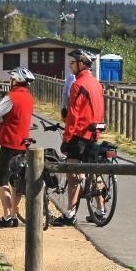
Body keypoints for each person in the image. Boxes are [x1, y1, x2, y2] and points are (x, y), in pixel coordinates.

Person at [51, 49, 105, 226]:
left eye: (72, 63)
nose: (70, 66)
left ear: (81, 64)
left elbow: (73, 114)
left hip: (80, 132)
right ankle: (100, 210)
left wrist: (67, 138)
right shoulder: (97, 83)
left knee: (72, 172)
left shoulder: (78, 85)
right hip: (94, 131)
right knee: (93, 171)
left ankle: (70, 213)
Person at [0, 67, 35, 228]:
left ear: (15, 80)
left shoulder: (11, 97)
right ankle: (14, 214)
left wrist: (4, 121)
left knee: (2, 180)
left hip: (9, 143)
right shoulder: (30, 98)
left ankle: (7, 216)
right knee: (17, 181)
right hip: (23, 143)